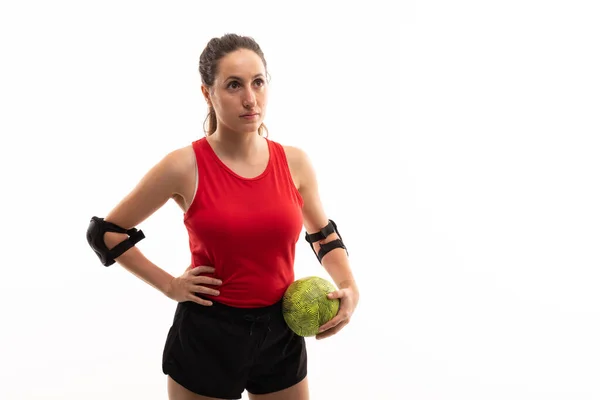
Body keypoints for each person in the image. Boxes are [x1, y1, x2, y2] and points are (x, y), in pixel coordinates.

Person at [86, 33, 360, 400]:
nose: (251, 99)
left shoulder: (295, 163)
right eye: (234, 85)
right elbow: (106, 232)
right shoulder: (183, 166)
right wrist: (170, 285)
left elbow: (323, 234)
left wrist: (350, 288)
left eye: (258, 82)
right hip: (208, 333)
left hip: (282, 331)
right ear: (207, 93)